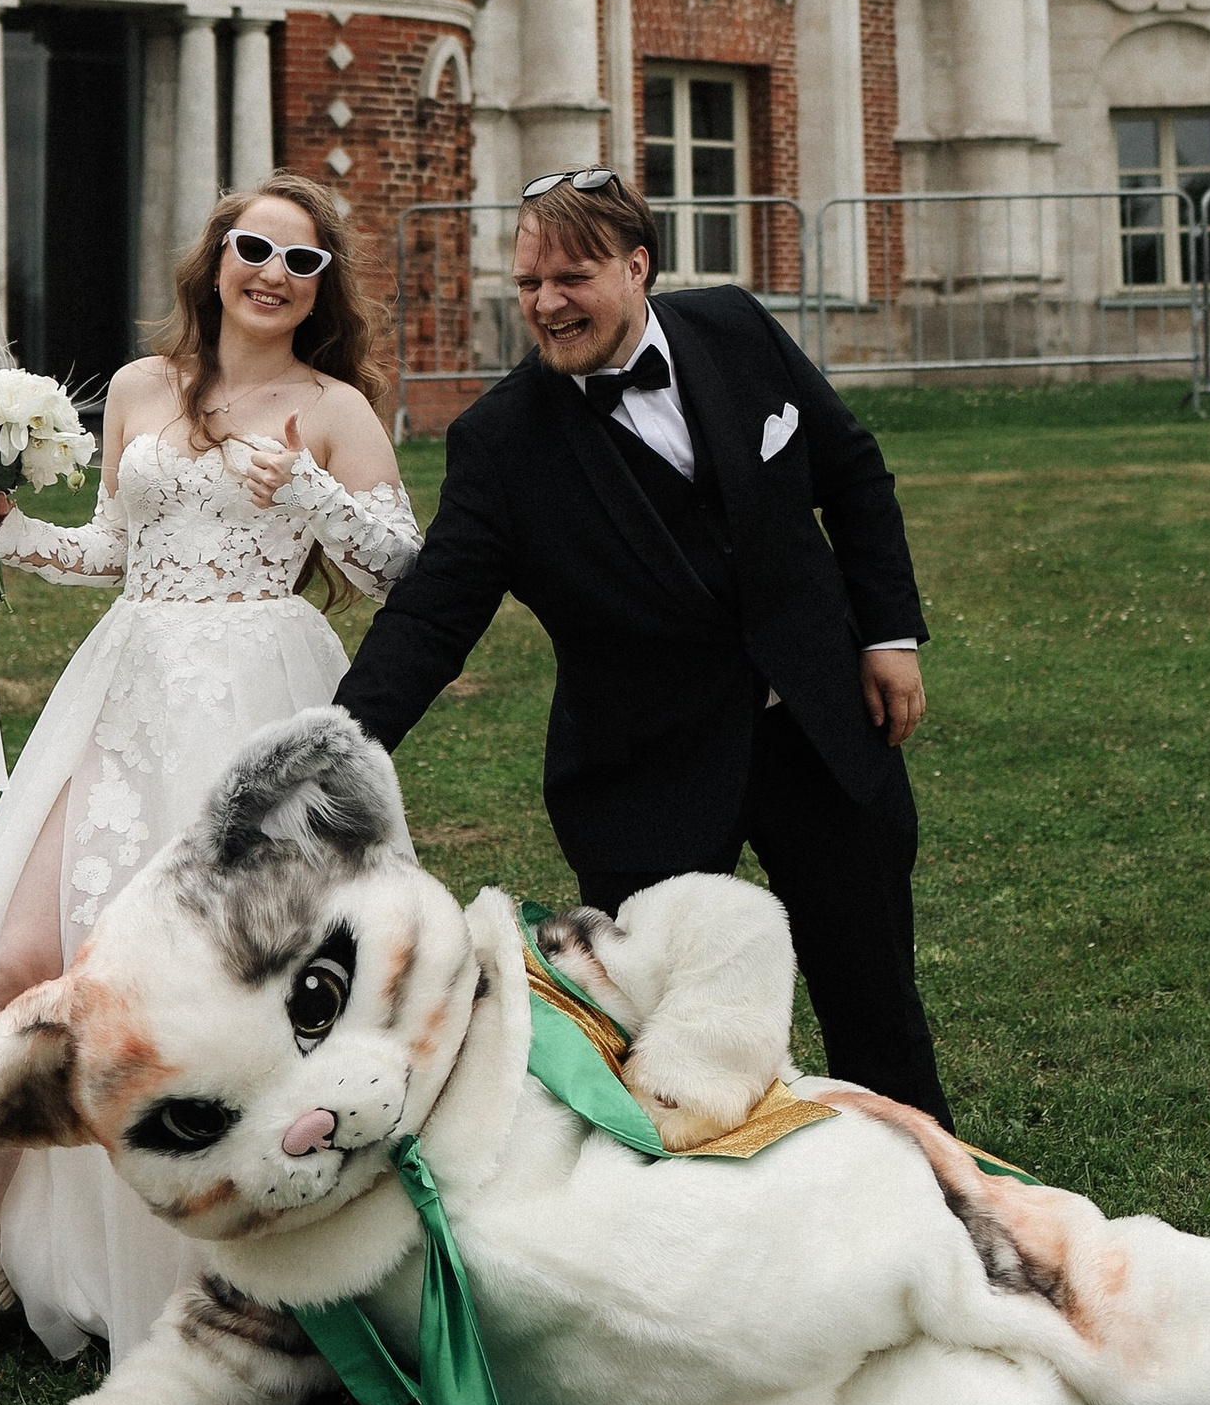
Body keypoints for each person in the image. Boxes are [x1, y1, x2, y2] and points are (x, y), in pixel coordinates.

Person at [0, 173, 422, 1390]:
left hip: (257, 696)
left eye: (300, 261)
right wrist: (8, 535)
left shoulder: (335, 406)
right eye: (252, 248)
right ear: (215, 260)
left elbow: (405, 574)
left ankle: (226, 1279)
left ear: (322, 288)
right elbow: (117, 547)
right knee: (18, 959)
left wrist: (306, 490)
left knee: (212, 998)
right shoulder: (150, 389)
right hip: (129, 684)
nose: (271, 273)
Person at [335, 167, 949, 1117]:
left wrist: (890, 635)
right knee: (664, 1050)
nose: (545, 303)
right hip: (649, 771)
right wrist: (336, 754)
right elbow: (433, 616)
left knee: (877, 1010)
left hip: (822, 737)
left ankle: (938, 1215)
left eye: (570, 278)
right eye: (529, 281)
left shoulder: (736, 330)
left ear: (637, 268)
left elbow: (854, 474)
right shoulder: (499, 442)